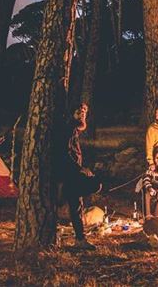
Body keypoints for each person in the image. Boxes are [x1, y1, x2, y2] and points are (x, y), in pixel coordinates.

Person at [55, 103, 102, 250]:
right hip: (68, 173)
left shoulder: (74, 129)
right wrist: (80, 169)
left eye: (84, 113)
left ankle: (80, 239)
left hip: (72, 174)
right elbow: (63, 152)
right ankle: (62, 195)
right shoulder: (68, 129)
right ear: (72, 114)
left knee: (76, 206)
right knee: (95, 184)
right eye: (79, 112)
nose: (82, 115)